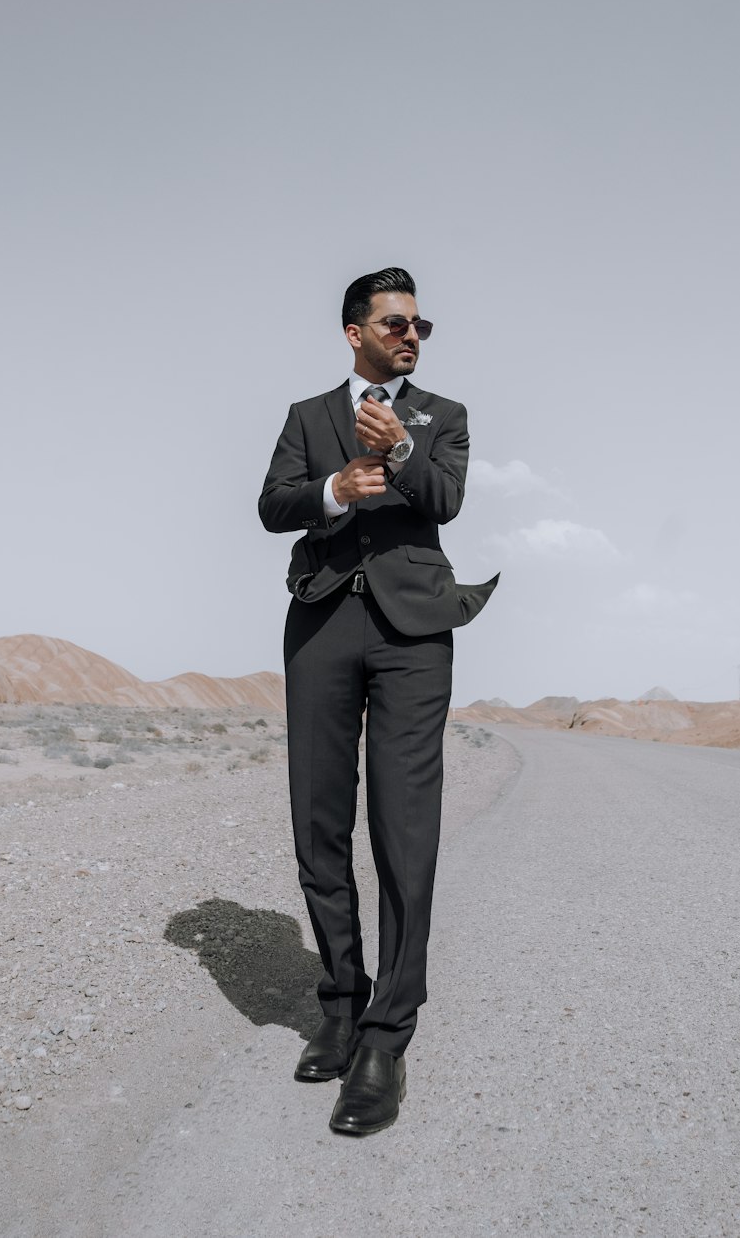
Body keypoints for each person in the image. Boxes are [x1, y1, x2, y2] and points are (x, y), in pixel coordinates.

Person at [258, 266, 498, 1136]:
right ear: (355, 330)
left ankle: (386, 1040)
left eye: (420, 325)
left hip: (411, 636)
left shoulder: (443, 416)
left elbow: (446, 498)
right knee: (319, 825)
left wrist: (396, 450)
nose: (412, 335)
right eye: (396, 321)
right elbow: (272, 503)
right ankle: (341, 998)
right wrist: (332, 491)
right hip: (321, 623)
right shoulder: (305, 417)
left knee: (404, 832)